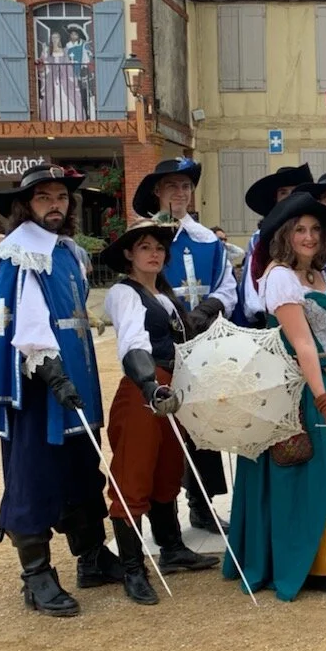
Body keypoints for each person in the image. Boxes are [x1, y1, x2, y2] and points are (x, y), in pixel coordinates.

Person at [0, 164, 122, 617]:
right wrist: (53, 373)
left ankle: (91, 557)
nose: (55, 205)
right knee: (34, 474)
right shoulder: (19, 253)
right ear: (24, 206)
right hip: (37, 388)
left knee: (81, 466)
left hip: (77, 380)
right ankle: (36, 576)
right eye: (43, 198)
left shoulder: (68, 251)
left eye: (61, 197)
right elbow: (28, 323)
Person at [224, 193, 326, 600]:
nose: (309, 236)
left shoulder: (319, 276)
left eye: (316, 229)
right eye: (300, 229)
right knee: (300, 472)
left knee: (324, 474)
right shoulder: (280, 277)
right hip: (291, 386)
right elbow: (301, 342)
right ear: (285, 234)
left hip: (320, 379)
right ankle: (300, 563)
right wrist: (323, 399)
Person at [101, 219, 217, 605]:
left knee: (167, 471)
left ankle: (172, 548)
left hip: (175, 392)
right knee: (133, 478)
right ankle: (133, 569)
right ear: (129, 255)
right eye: (145, 247)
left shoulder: (166, 298)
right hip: (143, 393)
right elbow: (133, 340)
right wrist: (150, 384)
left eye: (159, 248)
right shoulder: (123, 292)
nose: (154, 253)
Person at [133, 157, 238, 535]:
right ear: (157, 193)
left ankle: (203, 506)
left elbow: (228, 287)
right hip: (161, 346)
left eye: (186, 186)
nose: (180, 193)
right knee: (165, 429)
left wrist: (207, 310)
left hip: (203, 343)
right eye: (172, 186)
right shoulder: (144, 238)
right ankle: (165, 513)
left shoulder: (207, 240)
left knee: (205, 428)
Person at [234, 163, 315, 328]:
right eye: (283, 192)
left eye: (295, 192)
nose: (289, 197)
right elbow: (252, 297)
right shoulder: (260, 240)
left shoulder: (316, 236)